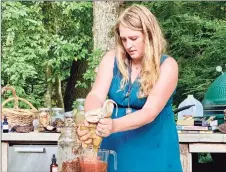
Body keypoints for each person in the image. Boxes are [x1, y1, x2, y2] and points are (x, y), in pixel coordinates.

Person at [77, 4, 182, 172]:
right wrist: (91, 118)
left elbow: (149, 112)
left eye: (134, 38)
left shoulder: (167, 66)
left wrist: (113, 126)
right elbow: (96, 95)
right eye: (124, 39)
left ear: (149, 35)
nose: (128, 45)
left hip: (154, 149)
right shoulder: (111, 59)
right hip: (114, 148)